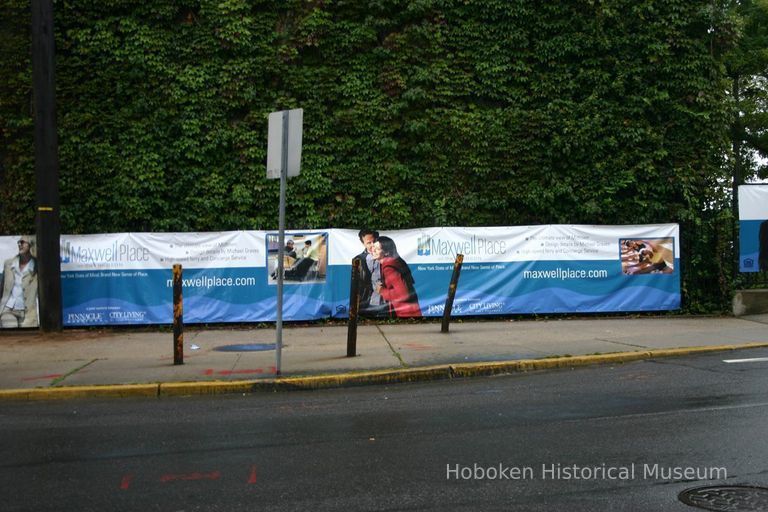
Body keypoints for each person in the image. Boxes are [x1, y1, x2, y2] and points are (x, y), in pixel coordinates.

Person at [372, 236, 422, 318]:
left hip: (405, 312)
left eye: (377, 249)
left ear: (386, 252)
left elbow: (404, 295)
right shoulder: (396, 261)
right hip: (411, 310)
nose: (373, 250)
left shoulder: (389, 268)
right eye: (373, 247)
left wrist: (382, 290)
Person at [1, 235, 38, 328]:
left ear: (30, 245)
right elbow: (2, 287)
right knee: (10, 330)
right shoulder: (8, 263)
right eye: (19, 242)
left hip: (28, 312)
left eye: (23, 242)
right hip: (8, 309)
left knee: (28, 338)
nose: (20, 245)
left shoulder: (37, 266)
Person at [354, 229, 388, 317]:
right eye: (369, 243)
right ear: (363, 243)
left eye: (374, 241)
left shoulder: (388, 257)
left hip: (387, 302)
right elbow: (358, 283)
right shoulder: (358, 260)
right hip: (367, 303)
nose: (372, 245)